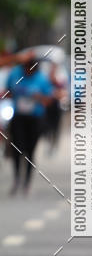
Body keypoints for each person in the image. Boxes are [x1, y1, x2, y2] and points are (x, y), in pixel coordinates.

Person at [4, 56, 55, 194]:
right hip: (18, 117)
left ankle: (27, 182)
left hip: (35, 118)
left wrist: (39, 97)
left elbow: (49, 99)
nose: (28, 72)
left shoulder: (42, 79)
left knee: (30, 150)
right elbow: (7, 91)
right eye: (26, 69)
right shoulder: (15, 74)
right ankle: (16, 179)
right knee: (16, 148)